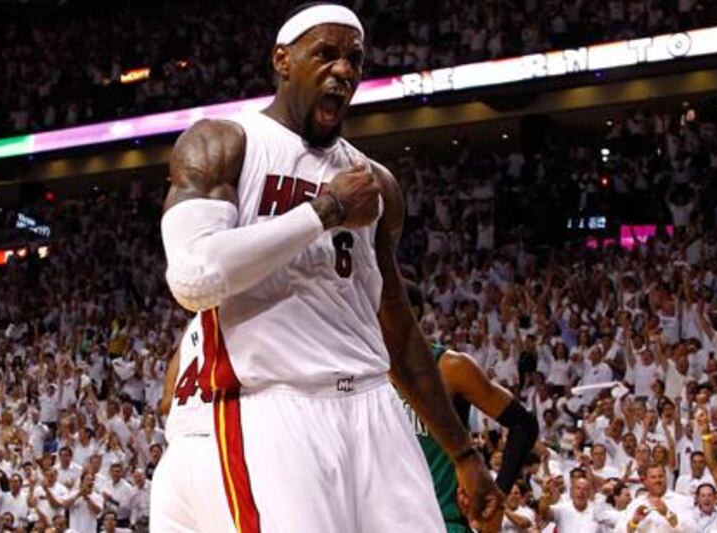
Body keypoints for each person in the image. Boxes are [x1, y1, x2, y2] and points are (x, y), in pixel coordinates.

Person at [159, 3, 501, 532]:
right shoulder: (224, 143)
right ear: (283, 60)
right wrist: (325, 212)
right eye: (326, 53)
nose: (343, 69)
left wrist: (463, 454)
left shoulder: (375, 182)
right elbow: (193, 278)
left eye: (354, 59)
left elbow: (397, 328)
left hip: (373, 406)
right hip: (276, 408)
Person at [404, 281, 539, 532]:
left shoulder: (450, 368)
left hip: (441, 521)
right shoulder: (369, 374)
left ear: (411, 313)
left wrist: (497, 497)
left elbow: (524, 424)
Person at [149, 316, 234, 531]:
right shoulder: (249, 310)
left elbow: (166, 403)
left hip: (175, 456)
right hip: (216, 448)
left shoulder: (194, 325)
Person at [615, 464, 696, 532]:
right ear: (645, 480)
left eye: (660, 476)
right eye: (653, 477)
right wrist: (634, 521)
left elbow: (693, 529)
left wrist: (668, 514)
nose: (658, 480)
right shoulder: (636, 503)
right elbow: (619, 530)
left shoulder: (682, 501)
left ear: (666, 478)